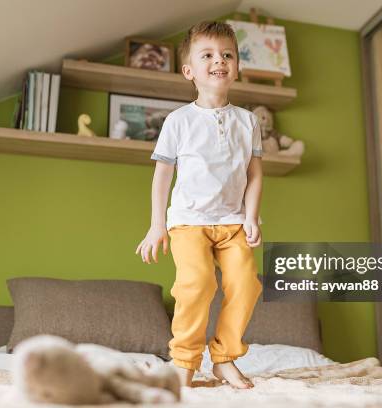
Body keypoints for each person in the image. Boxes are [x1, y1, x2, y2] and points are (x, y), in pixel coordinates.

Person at [135, 21, 263, 389]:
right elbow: (162, 177)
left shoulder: (249, 121)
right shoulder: (178, 122)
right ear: (189, 70)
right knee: (197, 283)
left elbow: (255, 174)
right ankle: (184, 361)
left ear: (236, 66)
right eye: (207, 55)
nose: (219, 61)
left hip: (234, 221)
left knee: (246, 283)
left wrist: (251, 216)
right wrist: (157, 224)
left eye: (227, 55)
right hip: (188, 222)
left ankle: (224, 358)